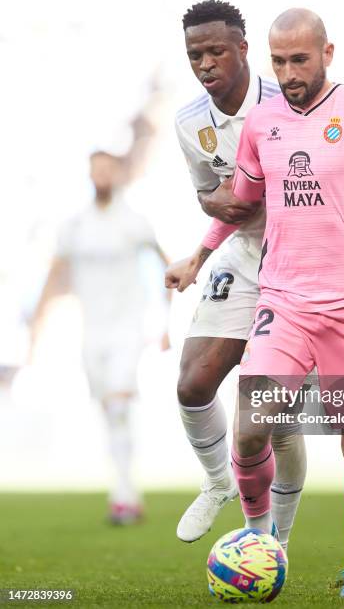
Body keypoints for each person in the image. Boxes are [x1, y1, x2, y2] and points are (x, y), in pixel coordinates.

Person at [167, 8, 344, 598]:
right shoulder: (264, 122)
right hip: (284, 302)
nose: (289, 73)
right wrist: (199, 255)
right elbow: (244, 204)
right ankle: (257, 541)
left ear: (326, 53)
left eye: (300, 60)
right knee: (250, 429)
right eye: (280, 61)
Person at [31, 150, 171, 524]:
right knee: (107, 411)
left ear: (118, 175)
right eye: (96, 169)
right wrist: (37, 323)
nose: (102, 175)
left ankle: (124, 495)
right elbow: (55, 273)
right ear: (90, 175)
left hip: (128, 327)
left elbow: (165, 266)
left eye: (108, 169)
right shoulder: (75, 225)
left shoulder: (135, 222)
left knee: (119, 403)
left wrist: (164, 322)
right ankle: (125, 488)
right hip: (91, 331)